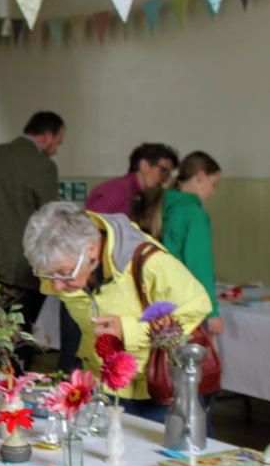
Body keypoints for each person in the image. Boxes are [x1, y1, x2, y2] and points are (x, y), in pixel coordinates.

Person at [23, 201, 211, 424]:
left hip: (157, 393)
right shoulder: (62, 272)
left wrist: (129, 330)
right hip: (103, 389)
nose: (56, 287)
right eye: (48, 275)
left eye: (63, 273)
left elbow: (197, 307)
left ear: (90, 250)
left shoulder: (149, 262)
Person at [54, 143, 181, 372]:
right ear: (143, 165)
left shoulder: (132, 194)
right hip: (84, 282)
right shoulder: (118, 191)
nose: (165, 178)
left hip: (97, 285)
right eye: (163, 170)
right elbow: (87, 235)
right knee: (77, 355)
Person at [0, 111, 64, 369]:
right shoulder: (43, 165)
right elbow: (50, 218)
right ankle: (13, 391)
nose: (55, 151)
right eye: (57, 143)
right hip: (20, 267)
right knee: (18, 335)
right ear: (47, 136)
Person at [161, 152, 223, 335]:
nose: (213, 191)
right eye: (213, 184)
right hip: (187, 304)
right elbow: (199, 266)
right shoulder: (195, 215)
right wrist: (211, 311)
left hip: (164, 299)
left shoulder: (165, 205)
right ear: (200, 176)